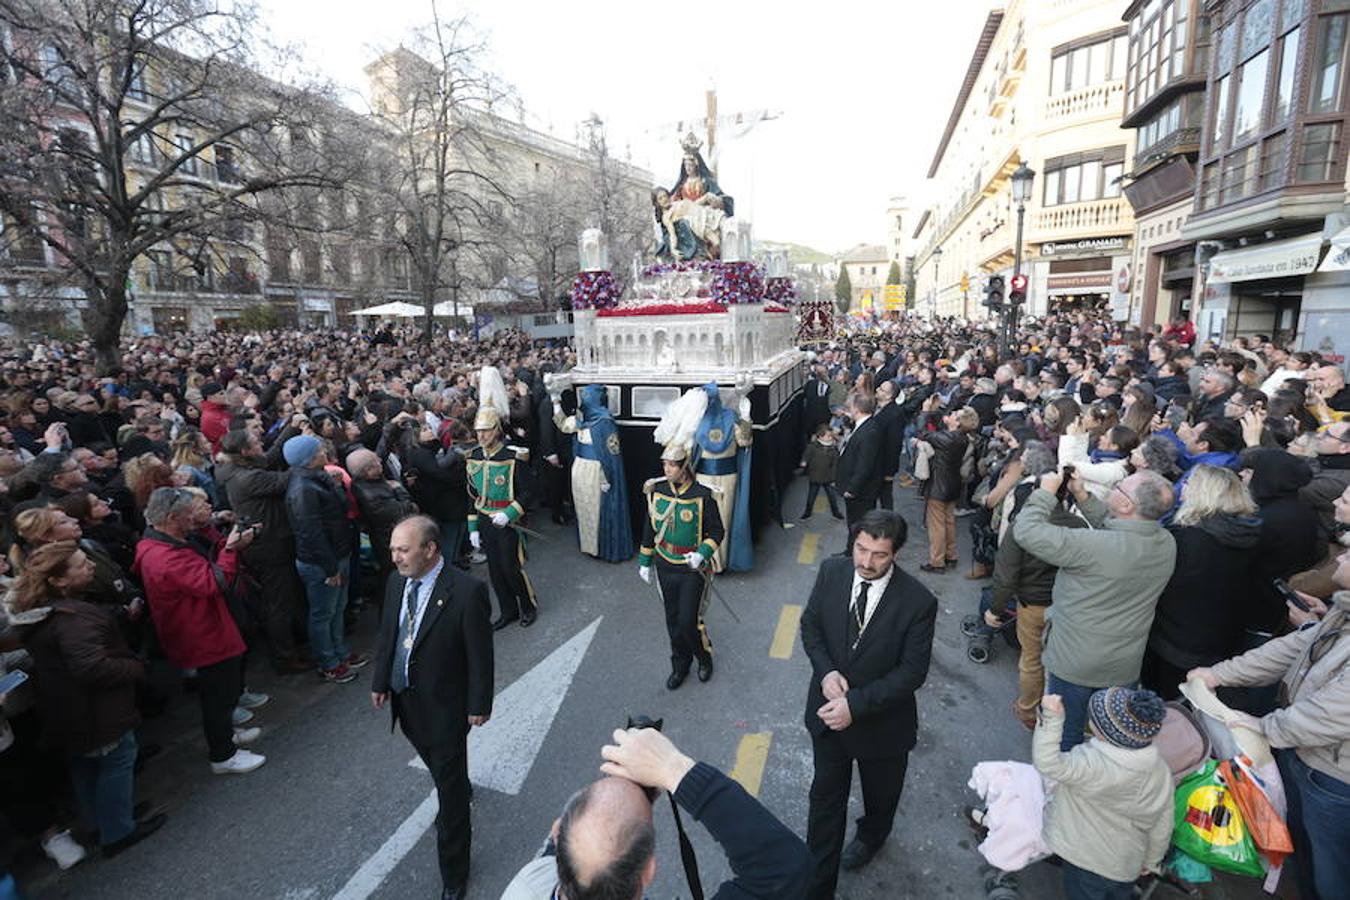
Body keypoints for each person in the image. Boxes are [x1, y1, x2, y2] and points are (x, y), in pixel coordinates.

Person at [500, 726, 811, 900]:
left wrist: (624, 802)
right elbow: (787, 868)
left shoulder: (527, 885)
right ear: (648, 872)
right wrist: (673, 769)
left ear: (557, 832)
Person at [799, 510, 937, 899]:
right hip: (827, 716)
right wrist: (826, 672)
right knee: (825, 803)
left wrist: (855, 706)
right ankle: (818, 888)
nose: (866, 562)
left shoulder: (918, 601)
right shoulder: (832, 572)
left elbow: (912, 673)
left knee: (881, 797)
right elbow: (811, 626)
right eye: (861, 549)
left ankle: (872, 836)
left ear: (896, 553)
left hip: (883, 729)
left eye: (879, 555)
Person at [1189, 565, 1349, 900]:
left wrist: (1264, 728)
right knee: (1307, 853)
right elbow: (1296, 648)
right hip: (1306, 755)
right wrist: (1219, 675)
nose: (1341, 556)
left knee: (1333, 871)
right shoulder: (1343, 610)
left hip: (1335, 778)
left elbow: (1335, 710)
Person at [13, 542, 167, 855]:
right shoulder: (72, 619)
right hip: (94, 709)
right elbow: (90, 666)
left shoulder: (43, 612)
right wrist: (134, 667)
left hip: (70, 709)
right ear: (58, 580)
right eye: (82, 565)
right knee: (116, 761)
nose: (91, 567)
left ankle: (102, 823)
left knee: (87, 767)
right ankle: (118, 832)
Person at [370, 516, 493, 900]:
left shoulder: (466, 591)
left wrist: (478, 703)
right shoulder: (395, 582)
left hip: (446, 706)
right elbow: (388, 632)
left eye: (403, 550)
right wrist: (379, 681)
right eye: (392, 549)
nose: (395, 557)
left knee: (449, 791)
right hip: (406, 700)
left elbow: (479, 655)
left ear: (430, 549)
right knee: (442, 764)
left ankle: (454, 873)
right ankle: (455, 779)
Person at [1013, 469, 1176, 749]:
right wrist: (1083, 495)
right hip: (1124, 663)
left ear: (1126, 505)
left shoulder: (1094, 546)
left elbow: (1027, 532)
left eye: (1118, 486)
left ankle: (1060, 784)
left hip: (1074, 662)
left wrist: (1044, 493)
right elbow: (1120, 529)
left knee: (1065, 734)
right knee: (1107, 739)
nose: (1113, 486)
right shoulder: (1166, 543)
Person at [135, 487, 266, 775]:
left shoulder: (163, 544)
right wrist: (231, 550)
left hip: (206, 626)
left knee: (223, 691)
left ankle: (227, 733)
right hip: (202, 632)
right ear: (172, 518)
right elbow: (213, 583)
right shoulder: (166, 556)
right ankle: (223, 754)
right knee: (218, 694)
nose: (192, 517)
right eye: (186, 514)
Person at [1032, 689, 1173, 900]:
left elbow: (1048, 763)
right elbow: (1163, 822)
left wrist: (1051, 718)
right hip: (1126, 865)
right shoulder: (1161, 771)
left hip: (1087, 860)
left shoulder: (1091, 765)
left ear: (1105, 734)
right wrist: (1152, 861)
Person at [1141, 465, 1261, 700]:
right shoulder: (1247, 533)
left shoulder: (1186, 538)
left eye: (1189, 482)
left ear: (1201, 492)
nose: (1182, 486)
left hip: (1174, 639)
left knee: (1166, 707)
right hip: (1221, 637)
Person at [215, 428, 309, 674]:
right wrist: (306, 455)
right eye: (256, 442)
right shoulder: (248, 478)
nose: (261, 444)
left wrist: (292, 427)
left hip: (268, 542)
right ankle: (285, 657)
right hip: (270, 546)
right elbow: (288, 478)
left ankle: (293, 645)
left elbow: (270, 456)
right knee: (279, 603)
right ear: (244, 452)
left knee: (284, 599)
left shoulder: (238, 468)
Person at [637, 443, 725, 690]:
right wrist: (645, 561)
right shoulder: (657, 490)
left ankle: (703, 657)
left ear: (684, 467)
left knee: (688, 620)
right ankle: (680, 664)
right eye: (664, 464)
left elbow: (717, 530)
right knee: (672, 620)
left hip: (691, 569)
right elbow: (650, 527)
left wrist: (702, 553)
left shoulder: (702, 495)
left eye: (672, 465)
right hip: (664, 564)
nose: (667, 469)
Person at [285, 434, 368, 683]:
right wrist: (330, 568)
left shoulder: (319, 478)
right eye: (319, 451)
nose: (324, 453)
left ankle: (340, 651)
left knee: (337, 608)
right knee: (323, 613)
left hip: (337, 554)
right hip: (322, 562)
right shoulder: (303, 490)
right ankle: (328, 661)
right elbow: (310, 533)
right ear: (308, 459)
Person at [466, 401, 538, 629]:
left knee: (510, 568)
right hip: (485, 519)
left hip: (507, 521)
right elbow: (471, 494)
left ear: (497, 430)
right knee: (495, 571)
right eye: (478, 431)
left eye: (486, 430)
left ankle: (528, 606)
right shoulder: (473, 456)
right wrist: (473, 528)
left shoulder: (513, 456)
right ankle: (508, 611)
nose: (481, 435)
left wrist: (509, 513)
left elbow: (529, 492)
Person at [549, 383, 634, 562]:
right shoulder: (582, 418)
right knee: (584, 507)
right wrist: (555, 400)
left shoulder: (605, 422)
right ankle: (589, 545)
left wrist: (606, 477)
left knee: (597, 508)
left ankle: (601, 547)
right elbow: (563, 425)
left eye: (587, 396)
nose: (584, 400)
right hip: (580, 468)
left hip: (596, 471)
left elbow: (611, 455)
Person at [347, 447, 418, 600]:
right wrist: (400, 490)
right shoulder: (370, 495)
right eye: (375, 462)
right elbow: (405, 510)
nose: (380, 461)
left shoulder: (371, 481)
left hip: (391, 534)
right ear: (368, 471)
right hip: (389, 539)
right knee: (394, 580)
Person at [916, 404, 976, 574]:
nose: (950, 414)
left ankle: (937, 562)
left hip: (939, 485)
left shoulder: (947, 438)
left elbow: (922, 433)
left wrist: (926, 411)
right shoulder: (962, 438)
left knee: (936, 526)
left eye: (954, 413)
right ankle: (951, 555)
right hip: (953, 483)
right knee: (949, 522)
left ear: (957, 422)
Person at [834, 392, 882, 552]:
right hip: (858, 489)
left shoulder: (869, 432)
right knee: (854, 524)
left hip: (861, 492)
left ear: (857, 408)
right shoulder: (865, 425)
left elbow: (865, 465)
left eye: (850, 407)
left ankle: (852, 556)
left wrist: (852, 488)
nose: (849, 410)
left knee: (858, 524)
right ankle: (850, 551)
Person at [799, 422, 843, 520]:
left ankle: (836, 512)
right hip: (815, 476)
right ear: (820, 436)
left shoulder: (833, 449)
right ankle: (807, 512)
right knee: (811, 496)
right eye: (828, 436)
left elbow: (835, 464)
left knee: (832, 497)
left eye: (831, 436)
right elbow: (806, 455)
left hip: (828, 478)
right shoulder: (812, 446)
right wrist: (804, 462)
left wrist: (834, 478)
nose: (831, 437)